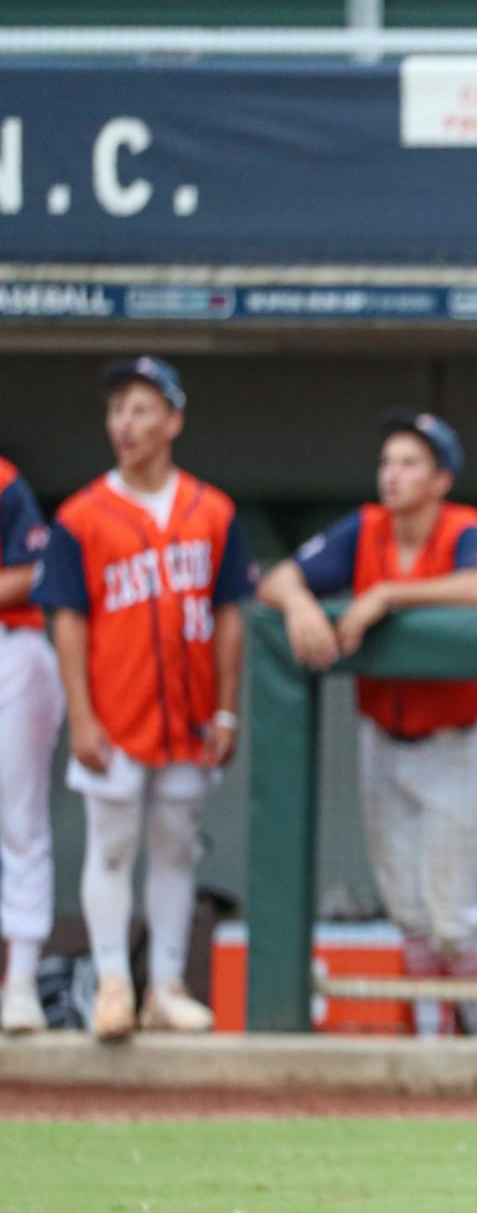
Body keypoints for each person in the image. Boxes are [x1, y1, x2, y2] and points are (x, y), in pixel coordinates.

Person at [256, 410, 477, 1038]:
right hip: (384, 743)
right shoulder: (364, 528)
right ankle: (430, 1047)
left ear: (440, 479)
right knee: (411, 918)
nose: (392, 474)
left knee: (453, 924)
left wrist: (389, 593)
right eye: (387, 462)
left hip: (456, 743)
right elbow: (278, 578)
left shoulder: (464, 528)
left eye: (410, 463)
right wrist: (300, 605)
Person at [32, 357, 253, 1041]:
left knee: (176, 846)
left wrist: (226, 709)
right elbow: (67, 620)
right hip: (117, 712)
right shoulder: (81, 516)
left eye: (141, 409)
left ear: (173, 421)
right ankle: (112, 985)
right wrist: (82, 716)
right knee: (112, 846)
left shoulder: (212, 511)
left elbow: (230, 614)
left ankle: (165, 986)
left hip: (189, 716)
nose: (125, 424)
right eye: (117, 410)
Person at [0, 455, 63, 1033]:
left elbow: (34, 569)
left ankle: (19, 982)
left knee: (20, 822)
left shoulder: (3, 479)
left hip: (12, 650)